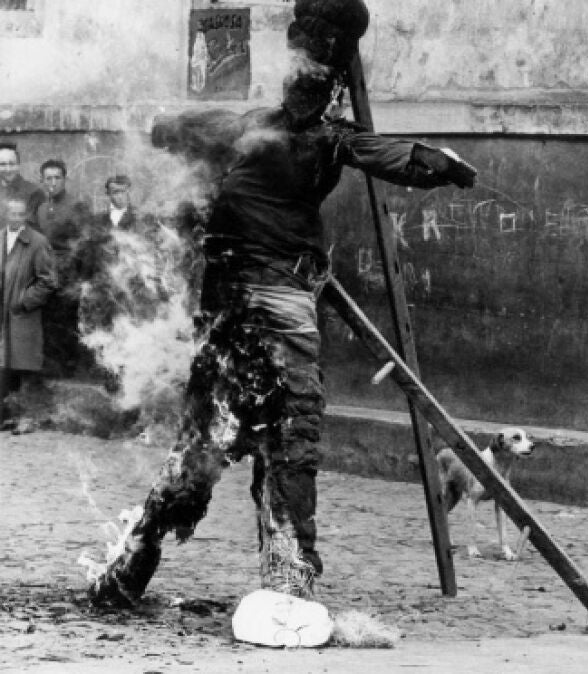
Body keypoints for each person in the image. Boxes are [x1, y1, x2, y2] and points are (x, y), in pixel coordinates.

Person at [87, 0, 476, 608]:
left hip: (268, 303)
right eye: (301, 75)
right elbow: (171, 131)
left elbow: (390, 156)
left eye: (313, 78)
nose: (303, 87)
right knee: (218, 439)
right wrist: (168, 126)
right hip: (236, 306)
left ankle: (277, 576)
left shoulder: (323, 136)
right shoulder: (254, 126)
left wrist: (435, 163)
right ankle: (143, 564)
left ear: (327, 85)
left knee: (273, 435)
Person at [0, 197, 56, 433]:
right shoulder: (0, 238)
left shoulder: (37, 242)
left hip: (23, 315)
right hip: (2, 316)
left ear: (26, 216)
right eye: (11, 213)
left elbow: (48, 281)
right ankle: (7, 416)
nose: (15, 218)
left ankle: (27, 418)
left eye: (20, 214)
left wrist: (23, 302)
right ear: (5, 214)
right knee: (4, 367)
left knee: (25, 366)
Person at [34, 159, 90, 378]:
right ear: (42, 180)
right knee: (46, 320)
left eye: (57, 178)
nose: (53, 182)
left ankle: (68, 367)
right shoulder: (40, 208)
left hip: (69, 272)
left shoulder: (77, 206)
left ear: (65, 179)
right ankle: (50, 367)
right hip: (45, 271)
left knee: (67, 320)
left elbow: (85, 242)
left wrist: (77, 276)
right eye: (48, 178)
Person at [0, 143, 45, 216]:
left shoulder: (34, 192)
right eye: (2, 164)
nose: (8, 169)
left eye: (12, 164)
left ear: (18, 165)